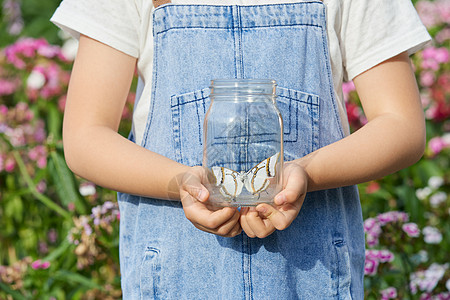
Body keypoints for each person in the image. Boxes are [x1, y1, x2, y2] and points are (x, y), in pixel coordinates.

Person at [51, 0, 430, 298]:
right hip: (177, 272)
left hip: (309, 279)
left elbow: (401, 126)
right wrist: (181, 182)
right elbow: (86, 137)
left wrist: (307, 173)